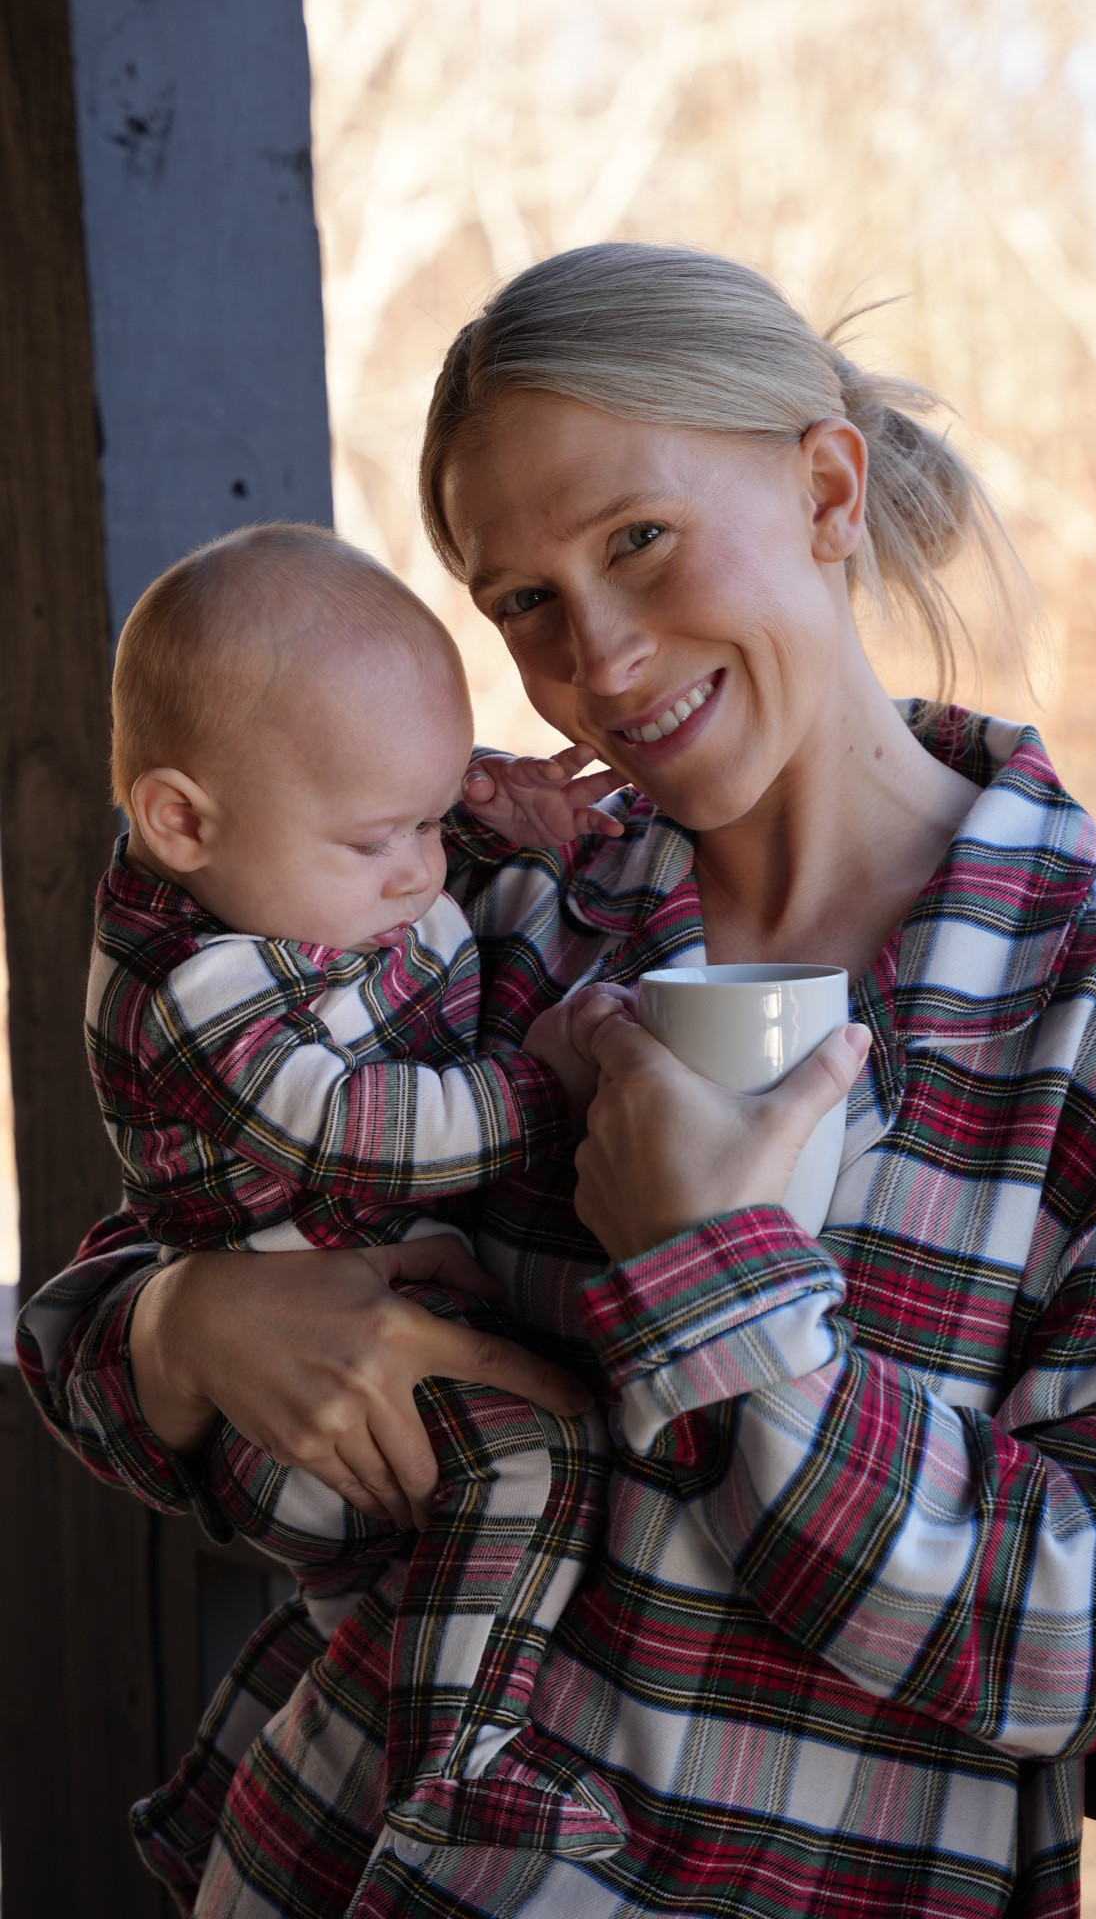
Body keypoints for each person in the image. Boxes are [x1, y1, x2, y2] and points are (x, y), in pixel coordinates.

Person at [19, 242, 1096, 1919]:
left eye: (638, 540)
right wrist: (194, 1327)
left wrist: (723, 1283)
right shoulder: (481, 898)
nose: (600, 661)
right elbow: (99, 1316)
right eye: (523, 603)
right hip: (338, 1866)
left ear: (827, 489)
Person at [83, 524, 632, 1884]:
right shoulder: (199, 992)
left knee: (413, 1563)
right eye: (382, 837)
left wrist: (493, 802)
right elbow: (359, 1132)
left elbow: (390, 810)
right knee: (546, 1449)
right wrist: (541, 1089)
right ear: (181, 819)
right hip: (307, 1423)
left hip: (348, 1356)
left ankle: (321, 1762)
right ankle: (462, 1778)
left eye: (435, 819)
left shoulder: (296, 866)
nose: (423, 872)